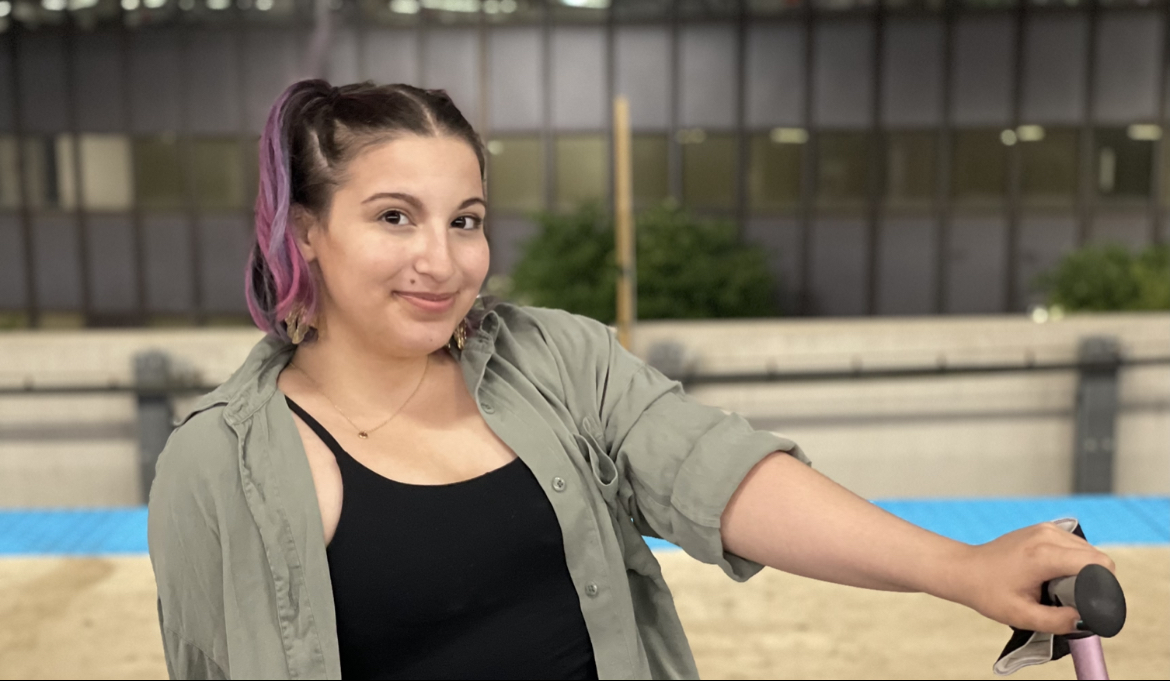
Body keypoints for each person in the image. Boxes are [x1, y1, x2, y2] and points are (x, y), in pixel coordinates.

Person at [147, 80, 1114, 680]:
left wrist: (963, 568)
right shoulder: (218, 465)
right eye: (394, 217)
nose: (440, 260)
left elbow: (717, 470)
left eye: (468, 219)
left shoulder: (554, 358)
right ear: (305, 230)